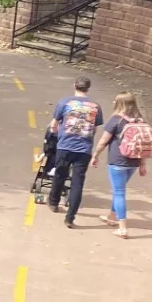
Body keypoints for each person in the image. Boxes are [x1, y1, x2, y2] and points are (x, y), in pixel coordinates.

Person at [91, 91, 151, 239]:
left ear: (120, 104)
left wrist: (95, 155)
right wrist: (143, 164)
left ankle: (122, 228)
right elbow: (143, 144)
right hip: (134, 162)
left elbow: (103, 141)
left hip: (118, 162)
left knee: (119, 193)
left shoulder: (116, 120)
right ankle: (111, 216)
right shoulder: (140, 120)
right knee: (118, 190)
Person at [46, 75, 101, 227]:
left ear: (74, 85)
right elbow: (95, 128)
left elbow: (54, 124)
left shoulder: (65, 102)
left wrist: (54, 132)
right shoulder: (95, 106)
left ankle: (54, 202)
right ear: (88, 88)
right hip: (84, 149)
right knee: (78, 182)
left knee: (60, 174)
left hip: (65, 146)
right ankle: (70, 217)